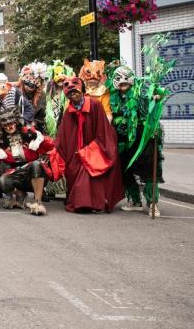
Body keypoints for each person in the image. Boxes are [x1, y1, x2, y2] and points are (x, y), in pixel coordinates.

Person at [53, 76, 123, 213]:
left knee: (88, 169)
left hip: (94, 148)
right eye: (70, 92)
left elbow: (103, 129)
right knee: (73, 167)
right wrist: (56, 149)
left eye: (76, 90)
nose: (73, 94)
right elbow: (63, 134)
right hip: (76, 151)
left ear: (82, 90)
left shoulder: (95, 104)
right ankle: (79, 201)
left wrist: (91, 149)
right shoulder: (69, 111)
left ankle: (91, 204)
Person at [109, 64, 165, 217]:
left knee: (149, 169)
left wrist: (156, 99)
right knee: (124, 169)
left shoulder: (140, 93)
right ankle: (135, 200)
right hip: (123, 139)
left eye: (125, 81)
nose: (122, 84)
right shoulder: (113, 97)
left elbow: (152, 110)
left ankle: (153, 203)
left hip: (143, 138)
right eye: (119, 81)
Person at [0, 106, 57, 215]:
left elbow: (50, 145)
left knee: (36, 164)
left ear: (17, 122)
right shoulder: (1, 141)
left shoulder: (28, 133)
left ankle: (38, 202)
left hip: (35, 171)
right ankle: (19, 195)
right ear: (1, 126)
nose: (9, 127)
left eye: (11, 123)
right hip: (15, 173)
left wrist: (38, 138)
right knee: (1, 182)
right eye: (5, 125)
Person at [0, 72, 34, 204]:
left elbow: (29, 111)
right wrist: (2, 125)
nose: (0, 92)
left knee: (15, 162)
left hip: (14, 135)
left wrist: (18, 123)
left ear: (7, 85)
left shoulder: (16, 94)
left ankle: (14, 193)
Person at [44, 60, 74, 137]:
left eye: (62, 73)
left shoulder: (70, 92)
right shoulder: (48, 93)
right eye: (57, 74)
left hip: (68, 127)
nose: (60, 77)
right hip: (52, 129)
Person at [18, 62, 48, 133]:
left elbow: (43, 117)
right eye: (28, 79)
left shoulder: (42, 95)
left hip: (36, 131)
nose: (32, 83)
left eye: (35, 80)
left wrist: (35, 123)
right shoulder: (16, 94)